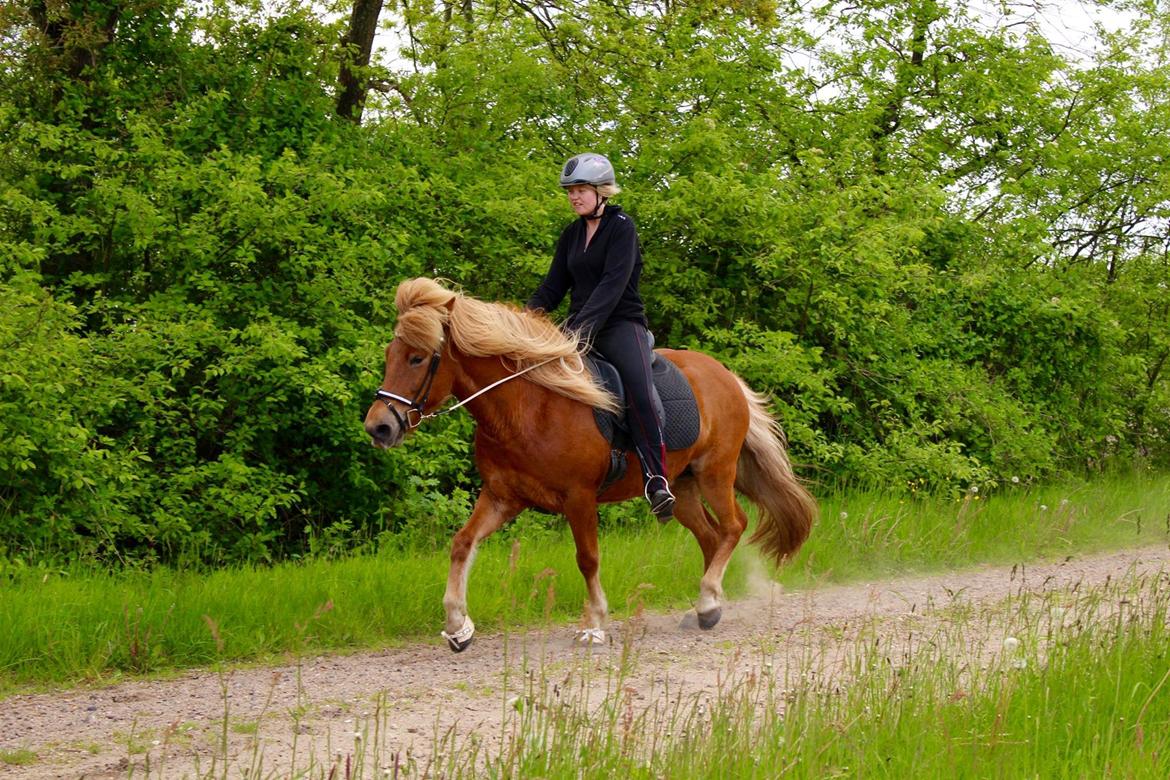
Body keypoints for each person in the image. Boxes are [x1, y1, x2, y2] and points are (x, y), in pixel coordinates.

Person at [527, 152, 676, 521]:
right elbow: (553, 287)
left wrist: (578, 332)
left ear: (601, 191)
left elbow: (612, 287)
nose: (574, 197)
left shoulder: (622, 228)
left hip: (621, 325)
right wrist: (522, 320)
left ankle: (656, 479)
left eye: (580, 190)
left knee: (639, 391)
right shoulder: (571, 234)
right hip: (579, 326)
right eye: (570, 191)